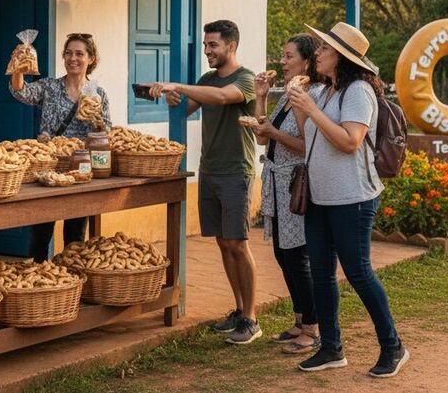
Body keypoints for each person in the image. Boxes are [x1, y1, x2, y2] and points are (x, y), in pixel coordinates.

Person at [288, 22, 408, 377]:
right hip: (321, 197)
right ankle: (331, 348)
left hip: (353, 196)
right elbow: (311, 132)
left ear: (341, 56)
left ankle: (393, 346)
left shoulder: (358, 91)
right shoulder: (325, 91)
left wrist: (310, 108)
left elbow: (350, 141)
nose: (318, 54)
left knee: (358, 272)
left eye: (324, 49)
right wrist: (300, 102)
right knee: (322, 274)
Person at [148, 20, 260, 345]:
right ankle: (239, 310)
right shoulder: (207, 79)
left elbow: (224, 98)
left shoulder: (246, 79)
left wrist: (178, 86)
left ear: (231, 46)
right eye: (206, 46)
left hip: (237, 171)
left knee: (239, 243)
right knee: (223, 243)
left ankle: (252, 318)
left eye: (213, 45)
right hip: (209, 169)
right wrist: (172, 98)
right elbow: (187, 109)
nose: (208, 51)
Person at [8, 33, 112, 261]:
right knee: (40, 234)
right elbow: (21, 91)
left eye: (79, 54)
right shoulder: (50, 87)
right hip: (50, 168)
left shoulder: (97, 93)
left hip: (82, 170)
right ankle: (39, 280)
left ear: (91, 59)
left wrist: (98, 123)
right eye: (68, 53)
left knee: (75, 236)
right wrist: (18, 66)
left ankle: (70, 283)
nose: (72, 58)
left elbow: (107, 135)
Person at [250, 34, 323, 354]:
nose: (283, 61)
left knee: (298, 256)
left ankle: (313, 327)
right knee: (283, 254)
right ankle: (300, 319)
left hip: (296, 185)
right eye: (283, 55)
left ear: (307, 62)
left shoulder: (310, 95)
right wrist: (261, 97)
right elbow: (264, 139)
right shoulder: (288, 94)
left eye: (289, 56)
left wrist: (274, 132)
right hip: (277, 184)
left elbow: (310, 146)